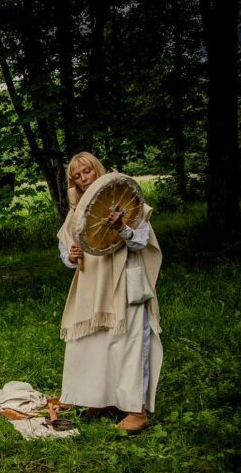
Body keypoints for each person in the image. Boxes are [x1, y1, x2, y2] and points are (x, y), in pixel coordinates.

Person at [56, 152, 163, 431]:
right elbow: (65, 250)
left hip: (124, 281)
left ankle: (136, 412)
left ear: (97, 169)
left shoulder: (123, 197)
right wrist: (72, 254)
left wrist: (122, 228)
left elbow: (142, 241)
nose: (82, 179)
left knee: (128, 342)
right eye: (76, 176)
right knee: (96, 342)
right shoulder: (77, 211)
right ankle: (102, 398)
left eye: (86, 172)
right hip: (92, 283)